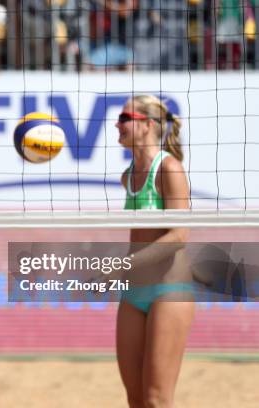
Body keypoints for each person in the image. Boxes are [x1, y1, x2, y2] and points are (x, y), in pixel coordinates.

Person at [115, 94, 194, 408]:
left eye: (125, 118)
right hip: (135, 291)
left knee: (157, 399)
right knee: (136, 399)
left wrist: (125, 264)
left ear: (146, 125)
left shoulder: (169, 169)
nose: (117, 124)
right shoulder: (128, 175)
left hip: (169, 290)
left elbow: (178, 236)